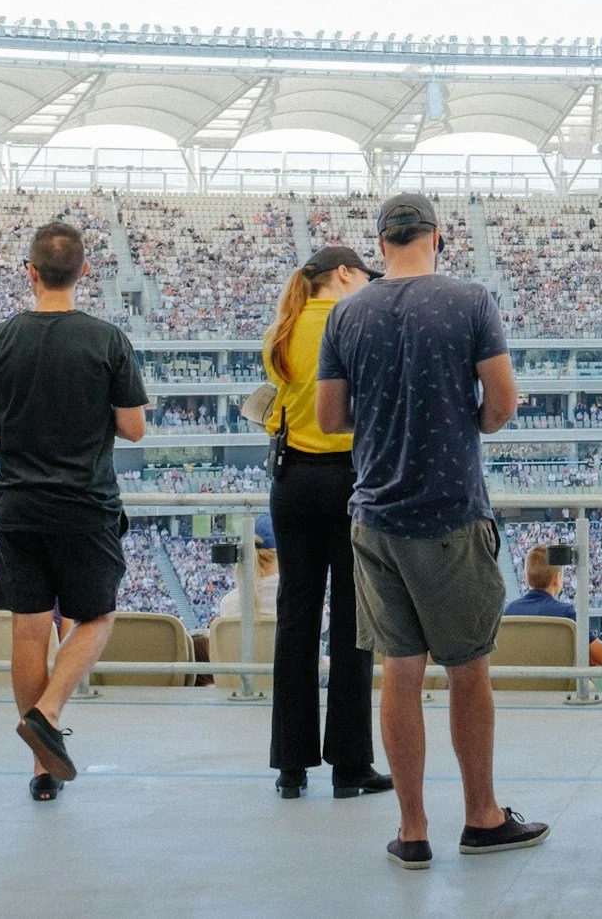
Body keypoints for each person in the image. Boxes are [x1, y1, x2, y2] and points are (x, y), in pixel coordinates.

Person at [316, 193, 545, 870]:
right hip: (449, 511)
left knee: (399, 672)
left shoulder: (347, 312)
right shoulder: (470, 300)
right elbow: (501, 401)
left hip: (375, 516)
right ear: (437, 237)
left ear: (380, 243)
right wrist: (462, 421)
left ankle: (412, 827)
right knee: (469, 669)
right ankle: (481, 814)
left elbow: (330, 417)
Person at [0, 221, 150, 802]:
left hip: (19, 504)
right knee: (96, 617)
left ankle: (43, 767)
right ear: (85, 272)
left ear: (30, 272)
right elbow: (134, 429)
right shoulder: (108, 340)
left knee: (29, 628)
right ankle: (47, 712)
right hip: (86, 505)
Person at [261, 245, 387, 802]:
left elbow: (279, 403)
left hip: (291, 483)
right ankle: (349, 765)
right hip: (347, 477)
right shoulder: (354, 322)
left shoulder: (281, 327)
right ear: (343, 274)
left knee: (296, 621)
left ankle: (291, 766)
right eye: (364, 275)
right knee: (353, 625)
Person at [504, 545, 602, 666]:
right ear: (557, 579)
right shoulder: (565, 613)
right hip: (559, 683)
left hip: (515, 683)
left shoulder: (507, 611)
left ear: (525, 577)